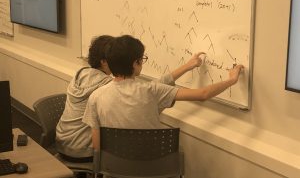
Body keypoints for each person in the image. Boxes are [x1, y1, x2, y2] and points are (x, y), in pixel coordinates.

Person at [56, 35, 205, 162]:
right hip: (85, 149)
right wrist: (186, 67)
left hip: (62, 141)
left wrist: (186, 67)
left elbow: (153, 89)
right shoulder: (107, 88)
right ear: (104, 61)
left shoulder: (79, 74)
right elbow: (151, 91)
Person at [82, 35, 244, 151]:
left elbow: (97, 147)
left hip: (114, 170)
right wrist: (231, 80)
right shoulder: (151, 90)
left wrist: (188, 66)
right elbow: (203, 94)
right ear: (136, 63)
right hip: (152, 169)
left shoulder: (96, 96)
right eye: (142, 59)